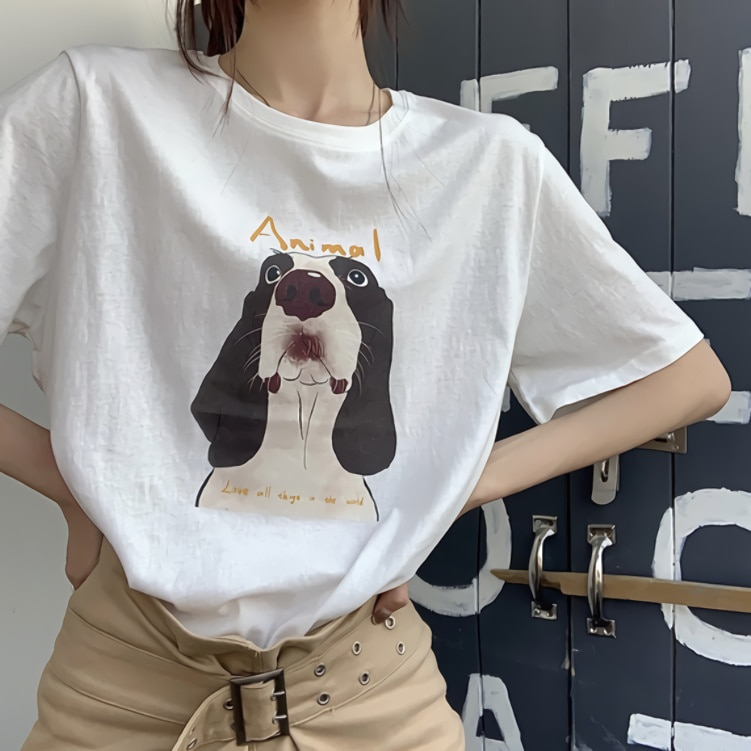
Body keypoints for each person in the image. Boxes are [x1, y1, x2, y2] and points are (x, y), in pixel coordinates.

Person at [0, 0, 731, 749]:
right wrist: (68, 480)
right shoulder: (92, 106)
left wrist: (446, 489)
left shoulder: (490, 164)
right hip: (121, 694)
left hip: (370, 697)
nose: (305, 294)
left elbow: (683, 377)